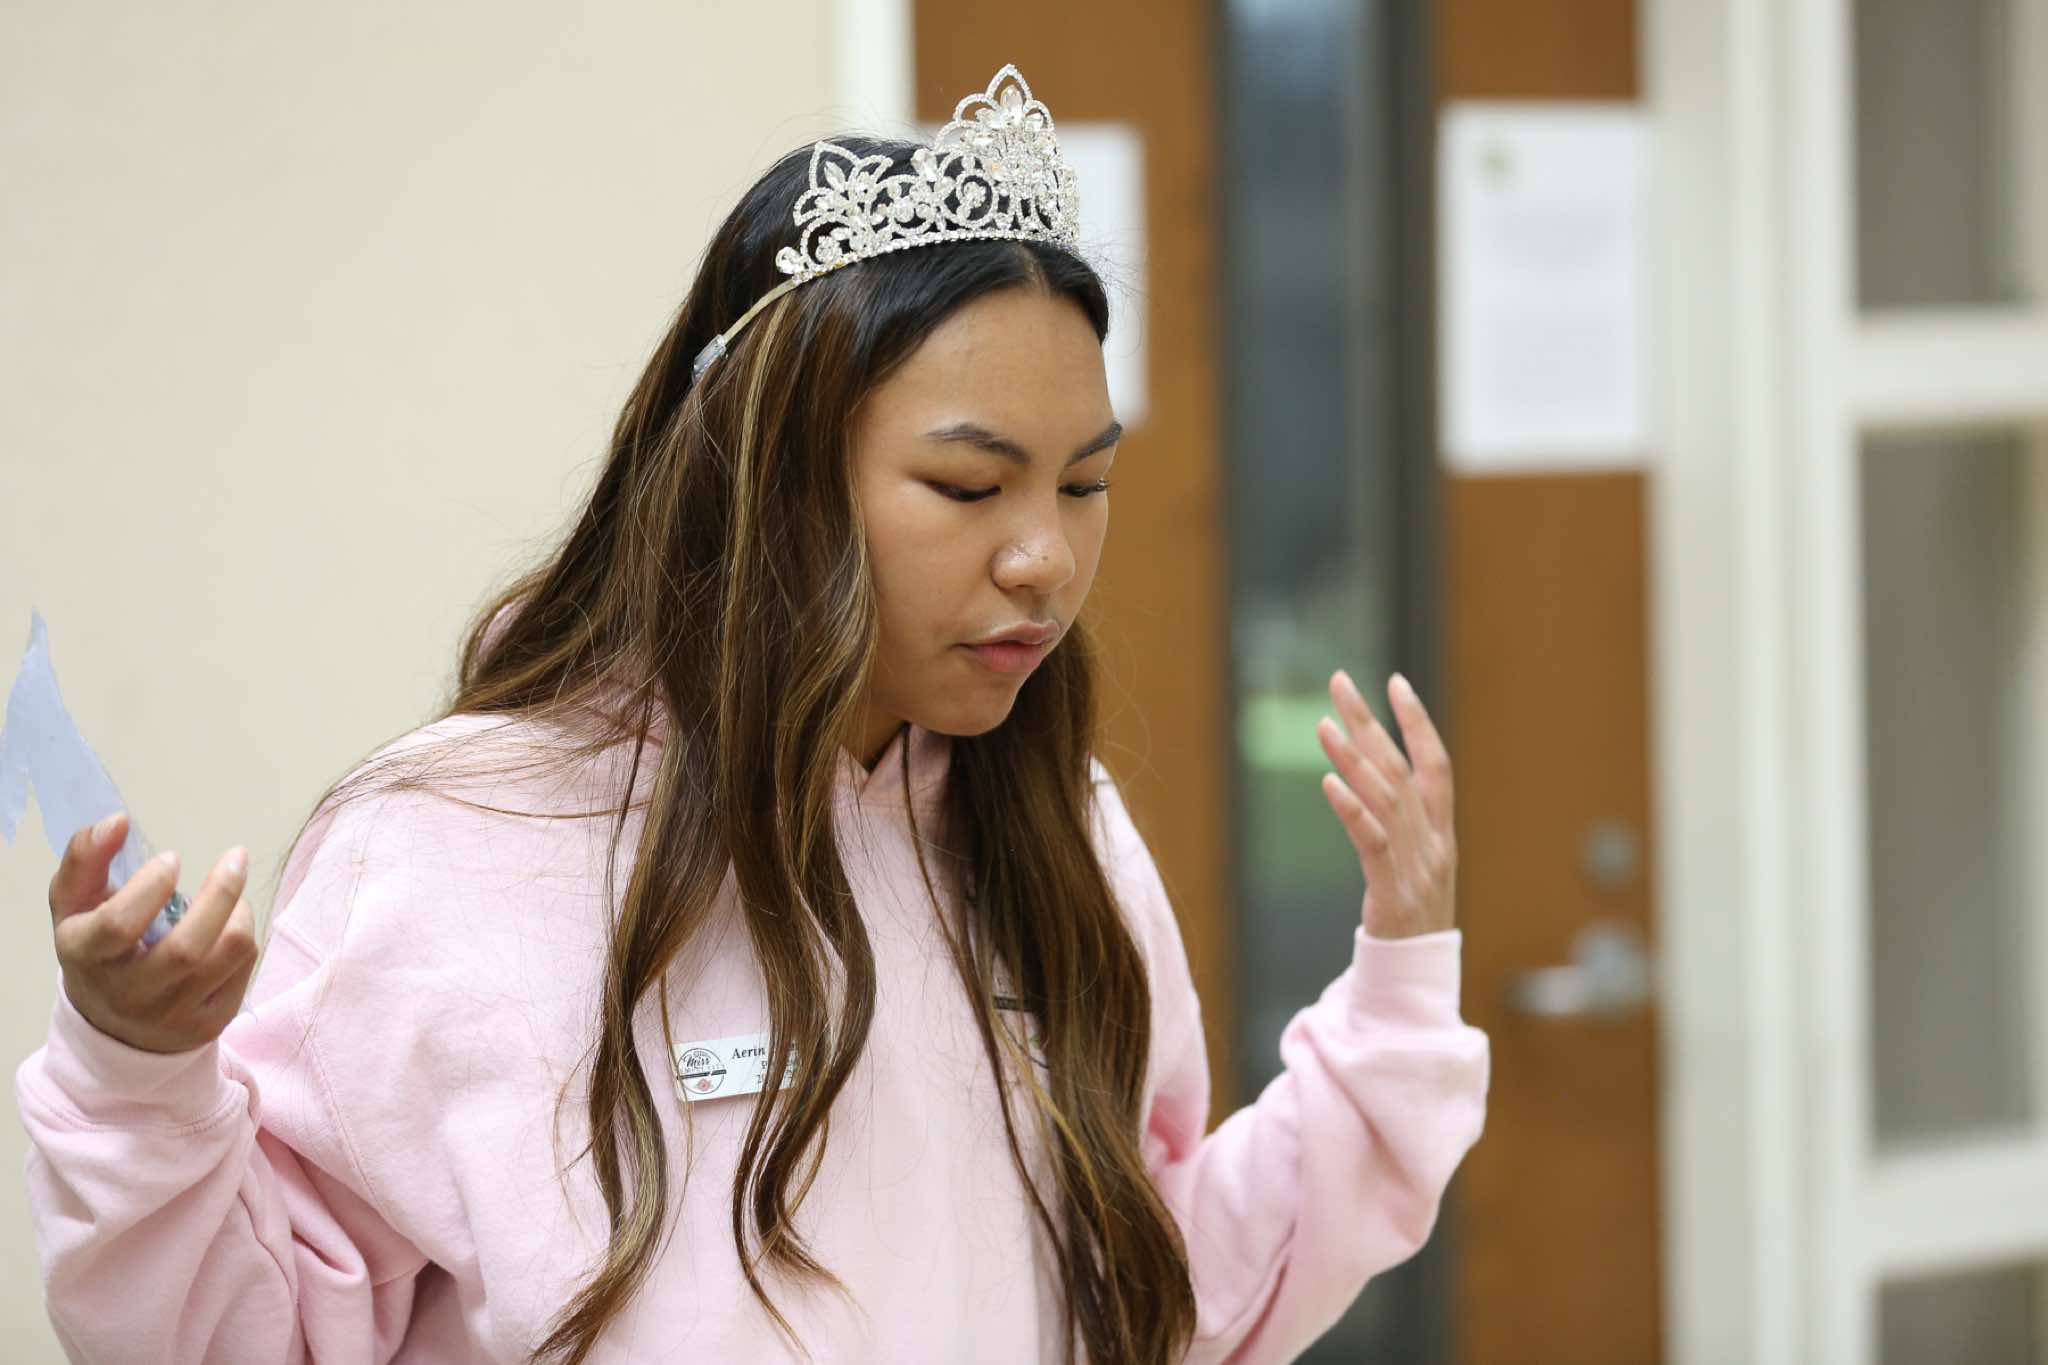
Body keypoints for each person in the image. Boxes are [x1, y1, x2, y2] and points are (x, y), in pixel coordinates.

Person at [15, 64, 1487, 1365]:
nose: (1046, 554)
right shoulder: (455, 845)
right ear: (765, 474)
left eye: (1085, 482)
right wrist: (139, 1078)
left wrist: (1399, 990)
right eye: (970, 485)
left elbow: (1160, 1297)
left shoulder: (1059, 833)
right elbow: (243, 1337)